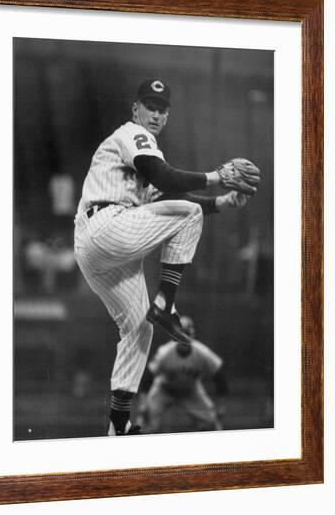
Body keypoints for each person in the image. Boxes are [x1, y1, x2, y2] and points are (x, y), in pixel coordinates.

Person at [73, 78, 254, 436]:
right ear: (135, 109)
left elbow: (166, 192)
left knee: (137, 329)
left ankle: (117, 425)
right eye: (149, 106)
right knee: (188, 215)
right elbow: (166, 179)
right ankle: (165, 303)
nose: (155, 114)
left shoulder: (145, 156)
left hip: (95, 248)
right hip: (108, 225)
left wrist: (222, 201)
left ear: (167, 115)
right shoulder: (132, 134)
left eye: (162, 109)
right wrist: (218, 176)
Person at [137, 315, 228, 433]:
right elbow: (148, 376)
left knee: (211, 422)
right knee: (145, 420)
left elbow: (219, 375)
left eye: (187, 334)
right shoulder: (165, 352)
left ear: (193, 336)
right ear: (174, 336)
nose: (184, 338)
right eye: (181, 334)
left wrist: (221, 405)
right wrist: (143, 402)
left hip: (191, 390)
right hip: (164, 389)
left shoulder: (202, 353)